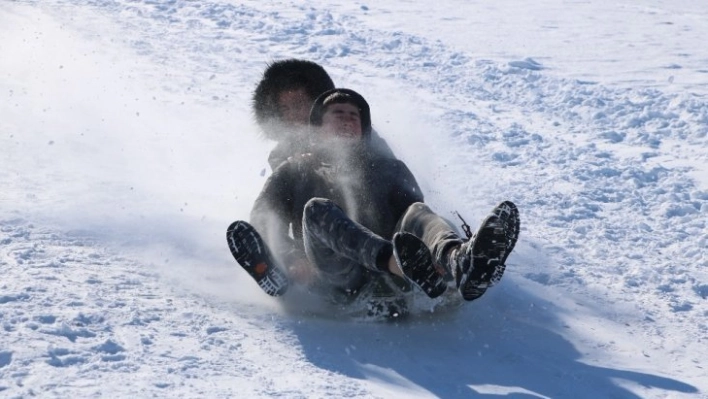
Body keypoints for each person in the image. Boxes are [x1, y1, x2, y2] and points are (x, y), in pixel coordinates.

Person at [228, 88, 519, 316]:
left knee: (418, 211)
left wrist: (429, 250)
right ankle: (396, 265)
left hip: (400, 281)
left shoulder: (388, 168)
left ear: (363, 129)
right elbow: (264, 216)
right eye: (337, 114)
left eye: (354, 116)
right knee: (317, 210)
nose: (346, 119)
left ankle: (459, 262)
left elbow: (416, 221)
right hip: (339, 278)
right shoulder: (295, 170)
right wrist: (290, 258)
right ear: (318, 128)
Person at [251, 59, 396, 169]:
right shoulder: (281, 155)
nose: (292, 114)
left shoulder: (358, 133)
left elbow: (392, 177)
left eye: (298, 105)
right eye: (285, 109)